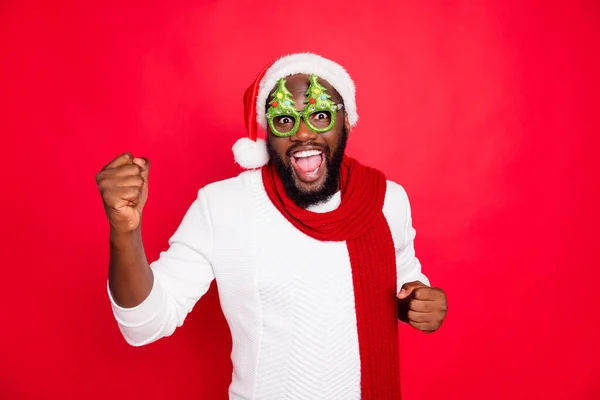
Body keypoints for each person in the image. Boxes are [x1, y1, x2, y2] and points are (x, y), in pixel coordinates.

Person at [96, 53, 448, 400]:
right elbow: (143, 325)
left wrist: (415, 299)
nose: (304, 132)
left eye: (321, 115)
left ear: (347, 123)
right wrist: (124, 233)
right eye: (284, 120)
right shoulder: (224, 206)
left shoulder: (386, 199)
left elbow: (401, 274)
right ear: (267, 133)